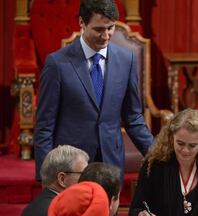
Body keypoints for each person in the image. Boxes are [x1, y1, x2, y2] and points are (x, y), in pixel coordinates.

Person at [34, 0, 153, 181]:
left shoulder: (126, 59)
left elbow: (133, 117)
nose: (106, 35)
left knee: (108, 211)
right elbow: (44, 126)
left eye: (111, 28)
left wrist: (157, 154)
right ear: (82, 23)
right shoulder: (57, 64)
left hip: (110, 163)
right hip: (71, 167)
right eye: (99, 29)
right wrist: (46, 176)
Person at [129, 109, 198, 216]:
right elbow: (135, 209)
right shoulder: (154, 165)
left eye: (192, 145)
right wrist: (140, 215)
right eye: (180, 143)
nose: (185, 150)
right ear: (171, 138)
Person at [15, 145, 89, 216]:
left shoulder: (40, 203)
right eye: (83, 174)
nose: (88, 180)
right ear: (62, 179)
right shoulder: (58, 215)